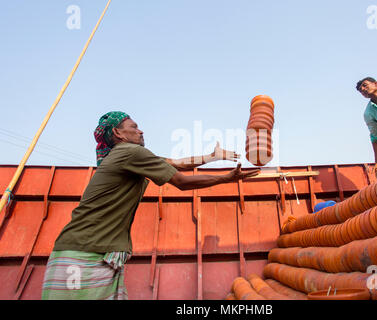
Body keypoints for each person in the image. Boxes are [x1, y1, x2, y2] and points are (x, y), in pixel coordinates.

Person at [41, 111, 260, 300]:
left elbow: (174, 163)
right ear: (118, 133)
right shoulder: (130, 152)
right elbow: (181, 182)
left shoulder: (127, 156)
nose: (141, 131)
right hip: (83, 255)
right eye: (134, 127)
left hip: (91, 251)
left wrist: (212, 157)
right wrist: (228, 178)